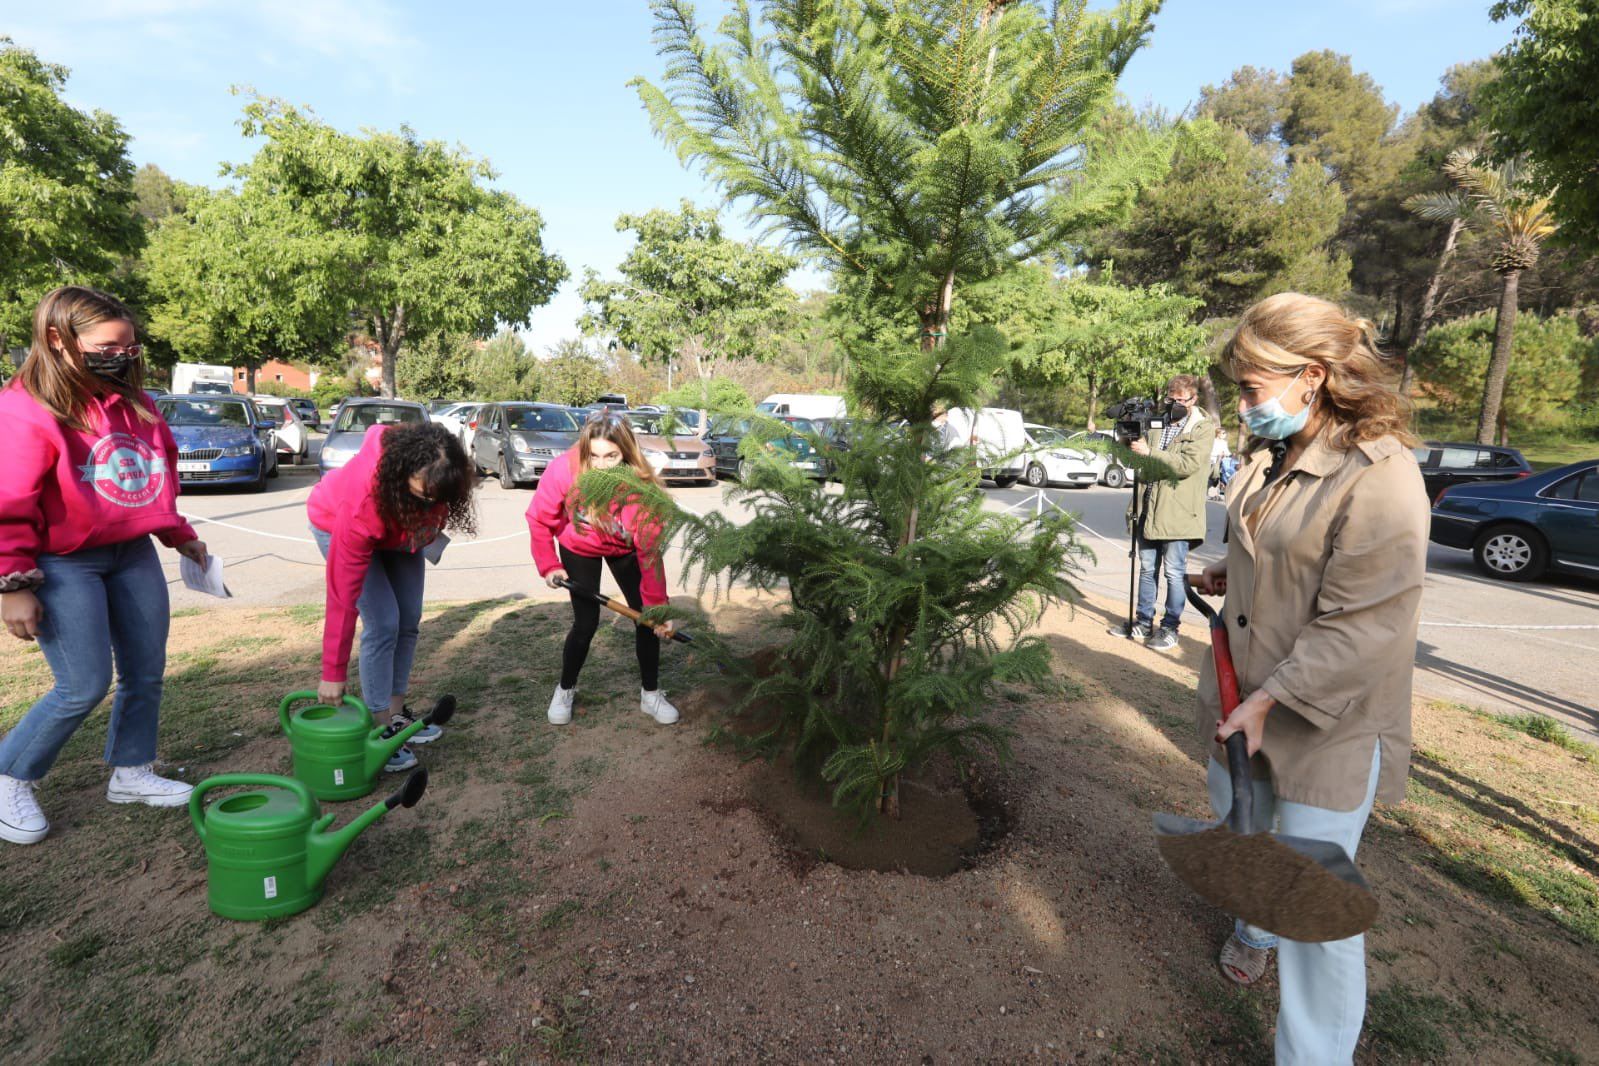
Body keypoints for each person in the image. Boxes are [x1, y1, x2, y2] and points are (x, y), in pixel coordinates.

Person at [1193, 292, 1427, 1064]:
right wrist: (1239, 568)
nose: (1242, 403)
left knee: (1315, 912)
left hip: (1324, 723)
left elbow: (1364, 624)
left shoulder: (1380, 478)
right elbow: (1288, 552)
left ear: (1313, 376)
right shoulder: (1274, 455)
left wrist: (1266, 700)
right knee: (1244, 826)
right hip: (1244, 705)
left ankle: (1314, 1055)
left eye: (1252, 387)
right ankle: (1253, 925)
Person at [0, 286, 208, 844]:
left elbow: (149, 479)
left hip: (132, 551)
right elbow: (9, 500)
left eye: (130, 345)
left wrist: (179, 535)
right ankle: (8, 775)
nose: (124, 355)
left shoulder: (133, 403)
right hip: (64, 561)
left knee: (146, 670)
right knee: (82, 684)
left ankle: (132, 772)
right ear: (56, 340)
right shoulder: (24, 407)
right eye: (109, 345)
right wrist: (12, 582)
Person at [309, 421, 475, 771]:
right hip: (337, 522)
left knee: (408, 620)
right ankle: (380, 728)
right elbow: (342, 597)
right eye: (426, 494)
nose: (435, 502)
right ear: (402, 473)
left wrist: (428, 510)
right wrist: (332, 672)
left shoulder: (438, 478)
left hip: (400, 529)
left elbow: (433, 501)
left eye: (440, 497)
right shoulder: (362, 501)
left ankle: (397, 716)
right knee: (384, 623)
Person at [528, 414, 679, 726]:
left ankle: (650, 695)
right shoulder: (564, 470)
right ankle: (565, 689)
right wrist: (549, 565)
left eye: (611, 456)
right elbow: (539, 519)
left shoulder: (640, 487)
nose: (601, 464)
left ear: (625, 452)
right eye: (594, 455)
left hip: (624, 549)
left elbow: (650, 553)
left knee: (645, 618)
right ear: (584, 450)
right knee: (586, 623)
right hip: (580, 547)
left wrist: (657, 608)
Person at [1110, 374, 1217, 651]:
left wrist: (1150, 452)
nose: (1174, 404)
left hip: (1178, 515)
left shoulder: (1202, 429)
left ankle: (1170, 628)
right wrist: (1126, 438)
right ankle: (1143, 622)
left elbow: (1185, 464)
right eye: (1171, 398)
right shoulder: (1157, 423)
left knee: (1174, 572)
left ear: (1193, 400)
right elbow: (1135, 459)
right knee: (1147, 570)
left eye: (1181, 400)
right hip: (1148, 509)